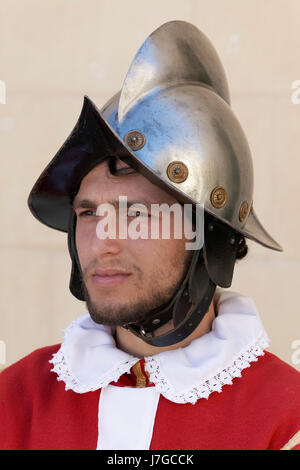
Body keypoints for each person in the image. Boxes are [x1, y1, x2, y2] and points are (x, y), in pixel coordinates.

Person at [0, 20, 299, 451]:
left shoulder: (286, 420)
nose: (103, 241)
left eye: (137, 214)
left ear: (207, 236)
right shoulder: (17, 401)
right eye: (88, 212)